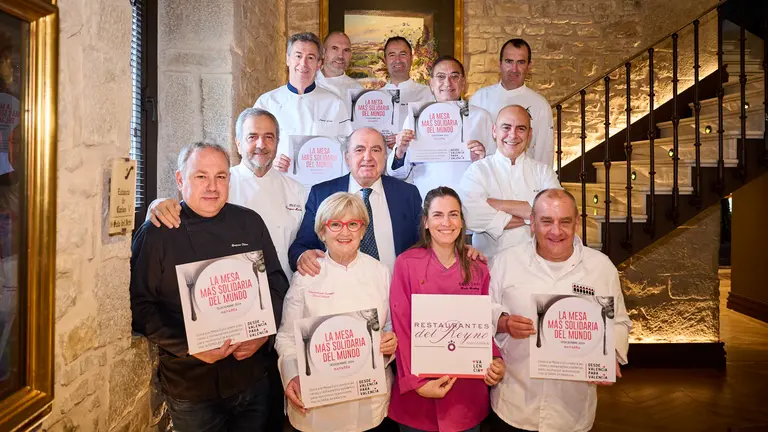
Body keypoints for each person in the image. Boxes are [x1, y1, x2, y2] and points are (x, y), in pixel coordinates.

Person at [129, 141, 289, 431]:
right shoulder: (158, 233)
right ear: (180, 180)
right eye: (201, 176)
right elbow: (140, 307)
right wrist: (190, 346)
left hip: (252, 377)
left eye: (221, 176)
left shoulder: (249, 222)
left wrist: (264, 334)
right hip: (192, 386)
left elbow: (276, 283)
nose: (212, 187)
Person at [488, 188, 631, 432]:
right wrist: (504, 322)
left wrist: (610, 357)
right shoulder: (506, 261)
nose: (556, 231)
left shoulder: (601, 267)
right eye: (547, 221)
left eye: (565, 221)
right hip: (514, 405)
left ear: (577, 223)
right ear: (532, 223)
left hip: (572, 413)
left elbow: (619, 321)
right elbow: (486, 309)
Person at [276, 192, 398, 432]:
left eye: (353, 224)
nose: (345, 232)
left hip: (369, 403)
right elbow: (286, 337)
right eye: (335, 224)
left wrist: (390, 343)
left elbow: (389, 327)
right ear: (322, 232)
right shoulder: (306, 275)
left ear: (363, 230)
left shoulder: (380, 272)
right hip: (317, 405)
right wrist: (292, 375)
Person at [388, 186, 505, 432]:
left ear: (462, 221)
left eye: (453, 215)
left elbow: (483, 324)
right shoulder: (406, 263)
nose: (446, 222)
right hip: (418, 393)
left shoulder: (477, 268)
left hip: (466, 394)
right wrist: (417, 383)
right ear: (426, 222)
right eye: (437, 215)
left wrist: (494, 359)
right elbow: (402, 327)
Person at [146, 108, 306, 280]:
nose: (261, 145)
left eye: (269, 137)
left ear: (277, 142)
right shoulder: (220, 184)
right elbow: (185, 207)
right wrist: (156, 204)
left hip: (282, 286)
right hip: (227, 286)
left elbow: (303, 243)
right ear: (238, 144)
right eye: (252, 137)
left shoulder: (297, 190)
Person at [288, 127, 423, 275]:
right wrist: (303, 257)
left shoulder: (407, 194)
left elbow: (423, 245)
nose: (368, 157)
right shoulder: (321, 194)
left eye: (376, 150)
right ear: (347, 158)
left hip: (395, 287)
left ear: (385, 156)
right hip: (338, 287)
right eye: (359, 150)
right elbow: (301, 247)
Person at [459, 105, 561, 259]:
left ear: (529, 134)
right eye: (506, 127)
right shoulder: (478, 170)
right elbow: (471, 216)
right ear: (494, 131)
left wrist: (498, 204)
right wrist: (535, 217)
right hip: (490, 265)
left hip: (537, 264)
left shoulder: (544, 172)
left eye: (521, 128)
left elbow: (557, 213)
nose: (512, 135)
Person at [387, 56, 495, 199]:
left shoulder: (481, 117)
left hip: (468, 200)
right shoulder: (416, 117)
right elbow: (398, 173)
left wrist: (481, 159)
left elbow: (495, 169)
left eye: (454, 76)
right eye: (441, 77)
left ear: (463, 82)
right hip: (426, 200)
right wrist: (400, 152)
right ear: (431, 83)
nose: (447, 83)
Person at [254, 32, 352, 173]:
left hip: (321, 182)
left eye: (310, 58)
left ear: (318, 64)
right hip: (278, 180)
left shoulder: (334, 104)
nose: (303, 63)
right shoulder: (266, 103)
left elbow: (347, 149)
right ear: (288, 59)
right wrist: (270, 162)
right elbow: (252, 147)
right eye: (298, 56)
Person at [469, 39, 554, 168]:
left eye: (521, 62)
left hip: (524, 175)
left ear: (529, 66)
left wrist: (544, 180)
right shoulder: (479, 98)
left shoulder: (540, 105)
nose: (514, 69)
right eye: (509, 61)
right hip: (486, 173)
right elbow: (469, 143)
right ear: (500, 64)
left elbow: (544, 152)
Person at [381, 37, 433, 149]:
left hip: (419, 157)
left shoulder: (429, 94)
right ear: (385, 61)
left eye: (403, 54)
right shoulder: (374, 97)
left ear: (411, 58)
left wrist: (405, 139)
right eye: (392, 55)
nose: (397, 60)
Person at [316, 31, 363, 110]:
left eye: (346, 50)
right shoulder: (308, 84)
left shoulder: (357, 90)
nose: (340, 55)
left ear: (350, 55)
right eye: (335, 48)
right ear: (323, 52)